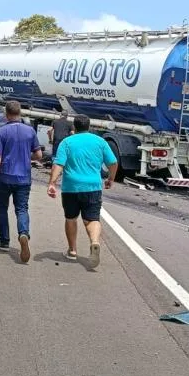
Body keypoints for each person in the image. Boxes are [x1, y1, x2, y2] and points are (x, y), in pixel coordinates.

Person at [46, 115, 118, 269]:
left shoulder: (67, 142)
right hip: (92, 187)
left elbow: (58, 164)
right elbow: (113, 162)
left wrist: (52, 183)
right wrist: (111, 179)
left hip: (71, 187)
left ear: (75, 127)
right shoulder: (100, 142)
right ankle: (94, 242)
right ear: (89, 126)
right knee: (92, 219)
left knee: (71, 218)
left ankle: (72, 251)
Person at [0, 101, 42, 262]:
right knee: (21, 209)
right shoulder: (30, 131)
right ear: (20, 113)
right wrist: (27, 157)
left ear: (6, 114)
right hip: (23, 178)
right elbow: (39, 155)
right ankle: (23, 233)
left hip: (4, 177)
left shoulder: (1, 132)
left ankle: (4, 242)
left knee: (2, 209)